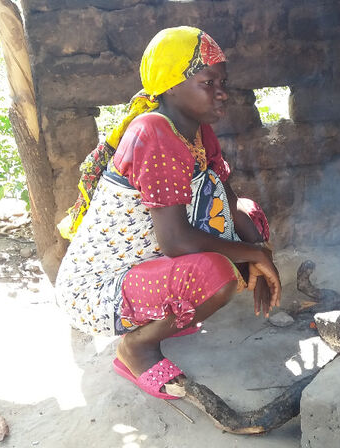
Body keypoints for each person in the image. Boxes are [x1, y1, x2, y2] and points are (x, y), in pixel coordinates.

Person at [54, 26, 281, 400]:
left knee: (249, 216)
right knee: (217, 274)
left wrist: (259, 249)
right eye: (208, 82)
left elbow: (225, 195)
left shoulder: (196, 129)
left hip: (145, 262)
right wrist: (253, 255)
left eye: (223, 81)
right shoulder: (153, 132)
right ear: (172, 86)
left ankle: (168, 314)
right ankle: (136, 348)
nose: (222, 91)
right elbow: (175, 241)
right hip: (99, 289)